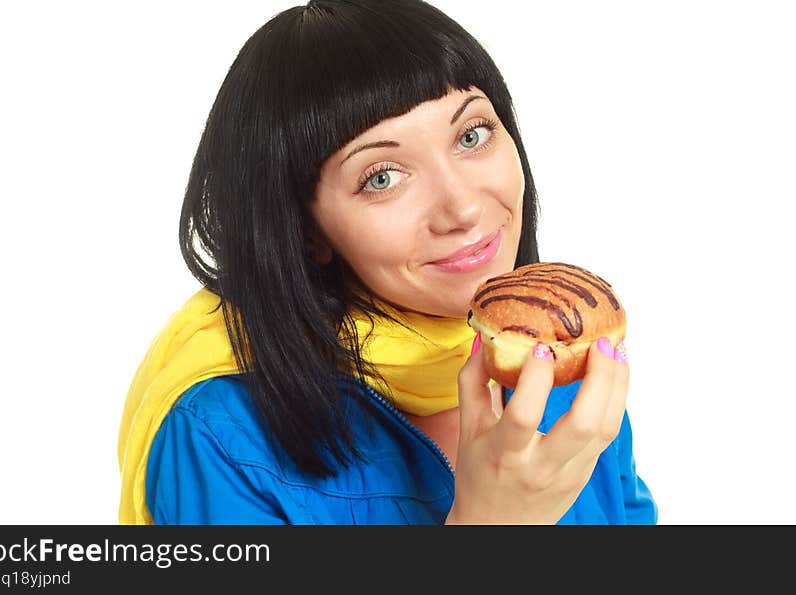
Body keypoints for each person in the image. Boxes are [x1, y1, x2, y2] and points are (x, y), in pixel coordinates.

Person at [117, 0, 657, 525]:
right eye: (382, 177)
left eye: (471, 136)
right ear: (308, 231)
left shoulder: (559, 362)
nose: (464, 209)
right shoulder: (219, 436)